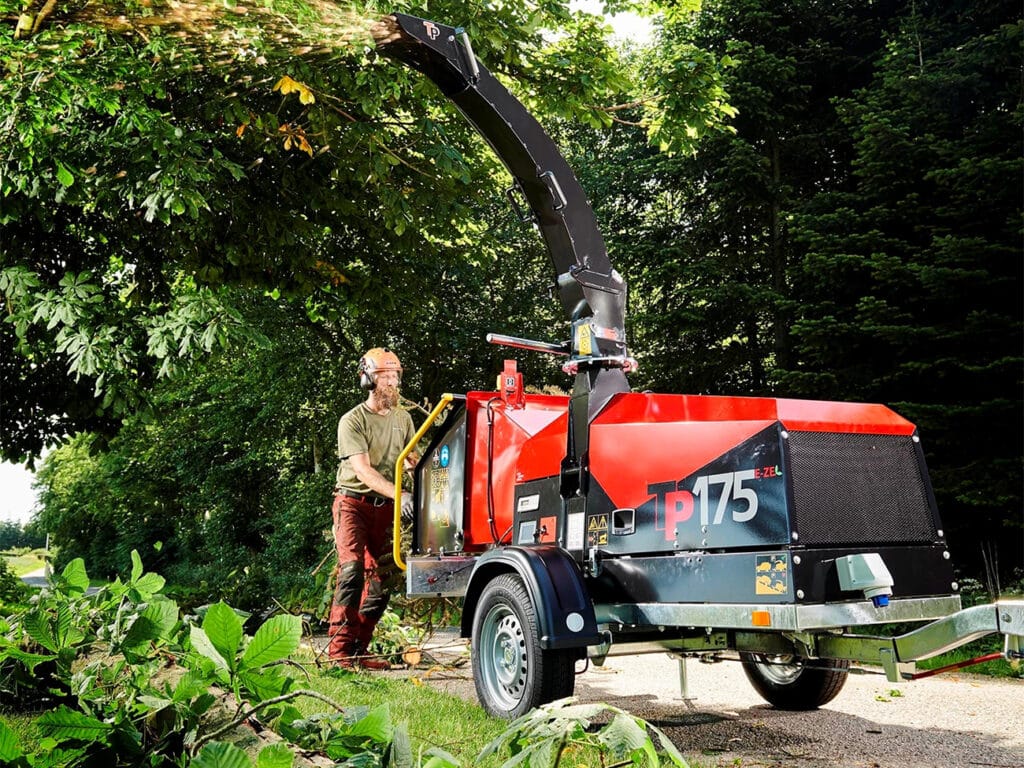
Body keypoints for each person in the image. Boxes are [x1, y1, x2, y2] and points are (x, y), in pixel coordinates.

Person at [328, 347, 416, 670]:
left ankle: (358, 649)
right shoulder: (352, 421)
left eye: (396, 377)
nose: (392, 384)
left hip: (385, 510)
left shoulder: (403, 419)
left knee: (383, 583)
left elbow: (411, 461)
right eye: (386, 377)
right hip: (352, 503)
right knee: (351, 571)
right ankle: (338, 654)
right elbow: (363, 471)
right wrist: (401, 495)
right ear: (368, 380)